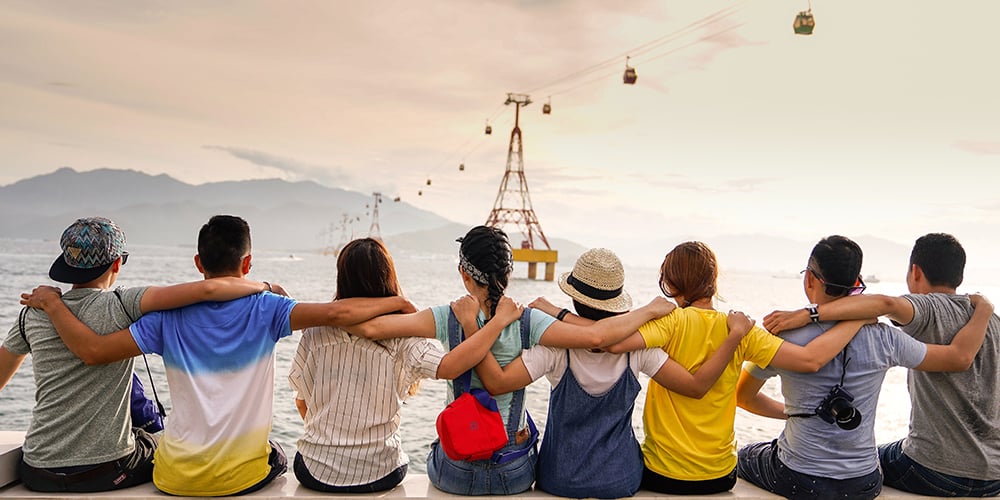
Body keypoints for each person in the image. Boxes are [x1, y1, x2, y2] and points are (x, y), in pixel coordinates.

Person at [20, 215, 415, 497]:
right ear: (247, 263)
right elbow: (339, 313)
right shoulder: (269, 309)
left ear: (197, 263)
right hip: (240, 480)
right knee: (276, 452)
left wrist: (54, 306)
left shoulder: (165, 318)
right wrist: (400, 301)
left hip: (173, 478)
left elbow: (96, 351)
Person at [343, 226, 676, 496]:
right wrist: (648, 310)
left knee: (438, 445)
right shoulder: (529, 321)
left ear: (464, 274)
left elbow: (370, 328)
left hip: (455, 471)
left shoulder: (447, 316)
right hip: (512, 470)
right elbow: (596, 337)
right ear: (508, 273)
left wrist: (400, 302)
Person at [0, 217, 269, 493]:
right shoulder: (123, 305)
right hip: (104, 472)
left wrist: (52, 303)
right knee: (156, 441)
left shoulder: (32, 314)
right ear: (117, 263)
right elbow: (209, 289)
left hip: (37, 470)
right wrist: (264, 287)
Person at [474, 247, 756, 499]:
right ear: (617, 301)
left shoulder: (556, 348)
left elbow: (497, 383)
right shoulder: (640, 350)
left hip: (559, 479)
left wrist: (475, 329)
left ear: (574, 299)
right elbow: (695, 386)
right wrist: (732, 338)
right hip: (621, 480)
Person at [601, 241, 870, 495]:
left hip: (662, 474)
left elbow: (611, 341)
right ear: (714, 281)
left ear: (670, 283)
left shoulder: (669, 323)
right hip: (720, 477)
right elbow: (808, 360)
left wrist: (648, 311)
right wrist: (856, 318)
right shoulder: (742, 330)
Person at [736, 235, 994, 499]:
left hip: (799, 477)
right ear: (857, 284)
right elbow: (955, 357)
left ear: (809, 279)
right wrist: (984, 308)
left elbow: (742, 396)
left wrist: (793, 413)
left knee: (745, 455)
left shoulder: (780, 336)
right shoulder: (886, 338)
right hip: (863, 482)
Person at [288, 238, 523, 493]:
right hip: (381, 472)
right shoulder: (404, 338)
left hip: (315, 470)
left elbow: (302, 402)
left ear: (341, 278)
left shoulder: (315, 333)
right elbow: (449, 366)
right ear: (388, 277)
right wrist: (496, 323)